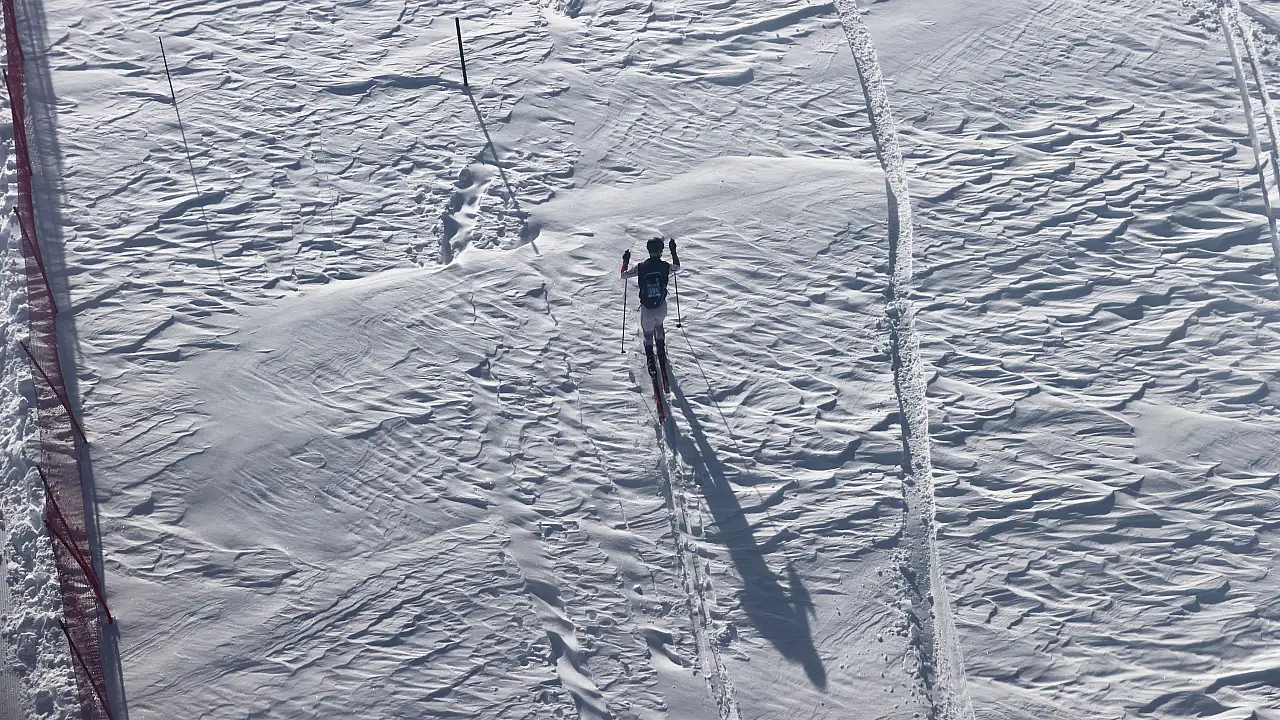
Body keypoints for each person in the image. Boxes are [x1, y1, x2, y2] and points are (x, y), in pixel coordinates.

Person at [621, 237, 680, 389]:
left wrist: (625, 261)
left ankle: (650, 359)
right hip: (661, 307)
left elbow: (624, 275)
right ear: (661, 251)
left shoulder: (641, 267)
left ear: (648, 250)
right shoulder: (665, 266)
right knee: (659, 325)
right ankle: (660, 346)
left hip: (647, 309)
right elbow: (677, 267)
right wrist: (673, 251)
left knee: (647, 333)